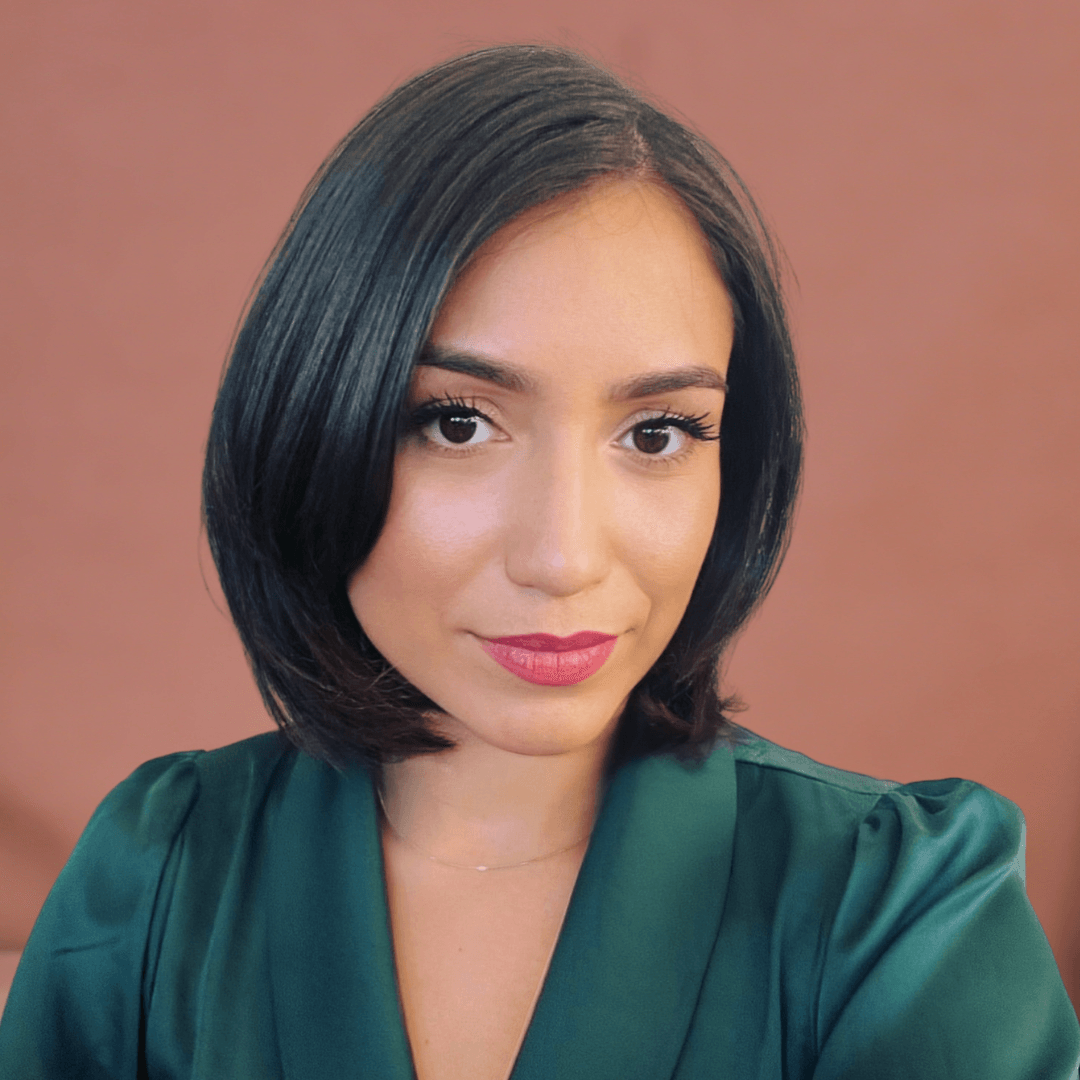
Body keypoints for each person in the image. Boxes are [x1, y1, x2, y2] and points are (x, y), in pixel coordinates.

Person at [0, 42, 1077, 1080]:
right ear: (314, 420)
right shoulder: (157, 881)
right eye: (458, 423)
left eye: (657, 433)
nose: (563, 557)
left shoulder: (896, 911)